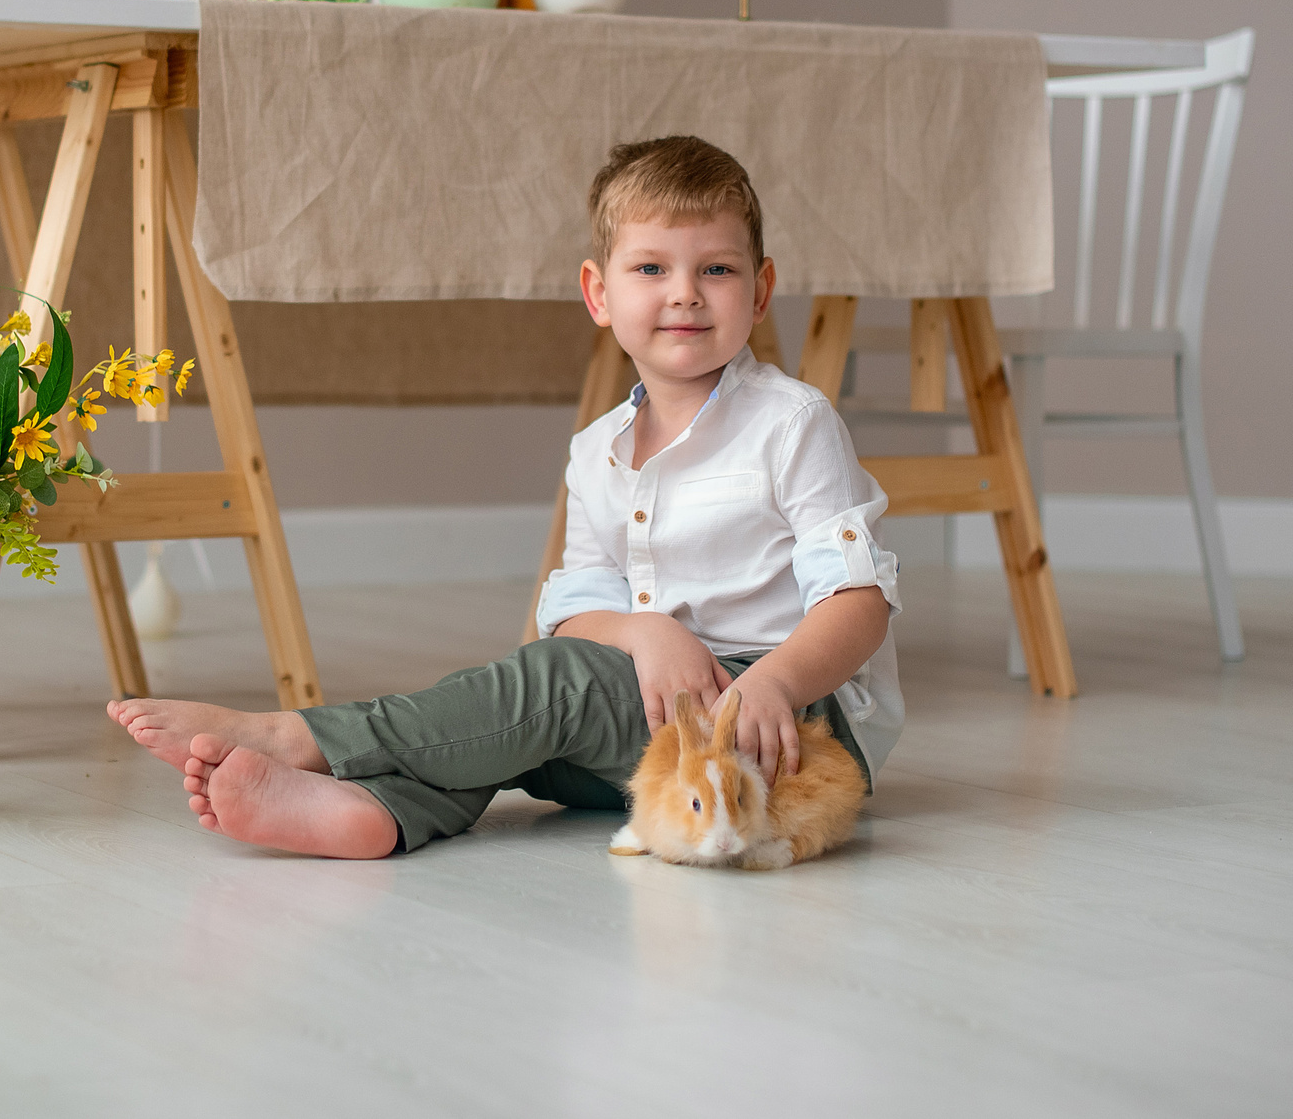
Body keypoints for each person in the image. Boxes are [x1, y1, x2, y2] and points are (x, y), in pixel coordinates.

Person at [109, 135, 902, 858]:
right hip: (655, 726)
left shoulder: (791, 422)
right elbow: (578, 608)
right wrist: (643, 631)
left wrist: (774, 682)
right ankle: (382, 812)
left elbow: (859, 599)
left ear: (760, 292)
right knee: (502, 725)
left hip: (787, 725)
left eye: (717, 270)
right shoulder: (596, 450)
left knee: (553, 686)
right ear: (598, 293)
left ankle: (301, 737)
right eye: (651, 269)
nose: (685, 293)